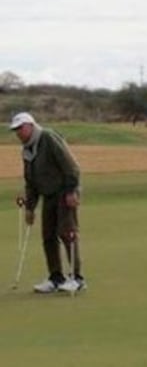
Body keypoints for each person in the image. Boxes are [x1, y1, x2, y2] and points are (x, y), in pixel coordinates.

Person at [10, 112, 85, 293]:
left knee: (67, 233)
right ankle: (56, 278)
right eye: (15, 130)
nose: (18, 133)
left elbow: (72, 166)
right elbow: (31, 181)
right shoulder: (27, 149)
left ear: (30, 125)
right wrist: (30, 208)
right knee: (48, 236)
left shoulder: (48, 137)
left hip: (64, 192)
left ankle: (77, 279)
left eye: (20, 128)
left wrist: (71, 190)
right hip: (48, 195)